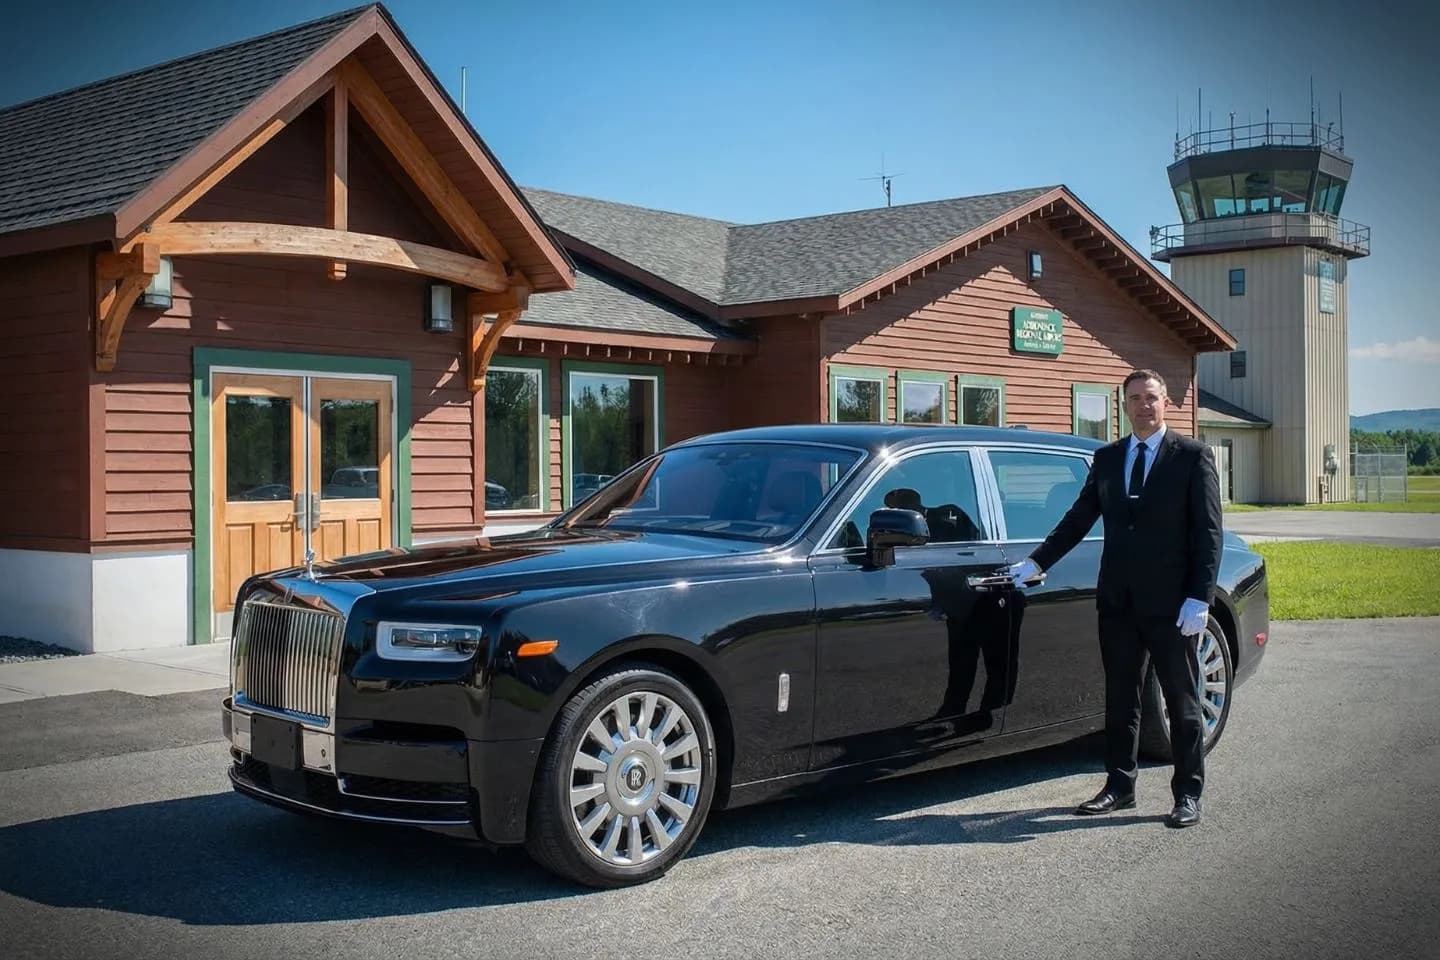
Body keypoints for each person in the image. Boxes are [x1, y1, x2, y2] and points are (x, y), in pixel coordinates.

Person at [1006, 369, 1222, 828]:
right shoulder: (1107, 458)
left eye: (1152, 397)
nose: (1144, 405)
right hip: (1119, 603)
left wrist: (1199, 598)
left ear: (1166, 402)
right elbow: (1078, 517)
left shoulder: (1191, 456)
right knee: (1121, 699)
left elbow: (1208, 534)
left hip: (1173, 606)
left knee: (1182, 701)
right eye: (1135, 398)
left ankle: (1188, 794)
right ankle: (1119, 787)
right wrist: (1038, 561)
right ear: (1123, 405)